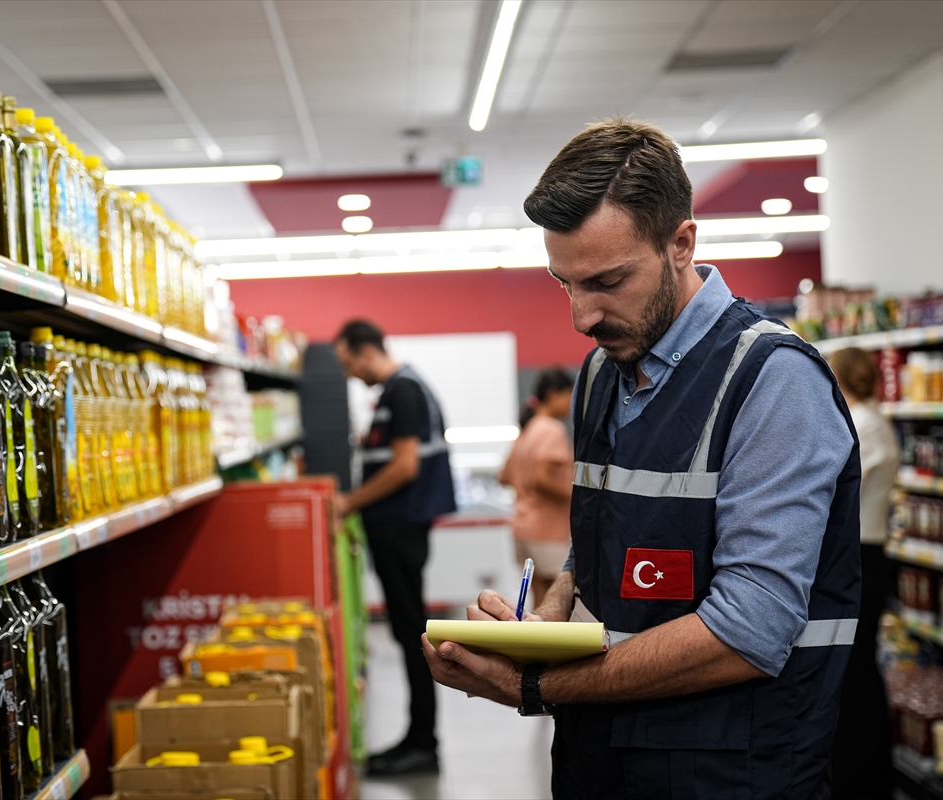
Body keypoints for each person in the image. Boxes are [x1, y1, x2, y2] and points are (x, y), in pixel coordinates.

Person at [421, 118, 861, 798]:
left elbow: (751, 627)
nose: (581, 316)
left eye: (607, 281)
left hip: (732, 772)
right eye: (564, 283)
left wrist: (538, 685)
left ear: (681, 243)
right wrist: (549, 622)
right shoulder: (601, 375)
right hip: (603, 759)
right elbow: (614, 540)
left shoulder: (773, 382)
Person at [332, 319, 457, 776]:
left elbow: (404, 467)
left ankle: (423, 744)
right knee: (408, 634)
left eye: (348, 363)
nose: (349, 374)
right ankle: (417, 738)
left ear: (366, 352)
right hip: (400, 529)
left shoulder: (402, 390)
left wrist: (349, 502)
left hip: (400, 530)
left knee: (412, 636)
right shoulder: (401, 389)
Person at [828, 347, 898, 800]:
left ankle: (866, 777)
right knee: (850, 672)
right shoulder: (863, 421)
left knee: (855, 674)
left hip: (863, 558)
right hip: (858, 555)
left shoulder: (867, 426)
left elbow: (836, 488)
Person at [500, 369, 575, 609]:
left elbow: (504, 476)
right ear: (554, 394)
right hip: (547, 531)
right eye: (569, 395)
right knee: (563, 601)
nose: (571, 403)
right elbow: (540, 478)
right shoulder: (551, 429)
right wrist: (576, 497)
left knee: (539, 601)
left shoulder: (528, 429)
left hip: (523, 527)